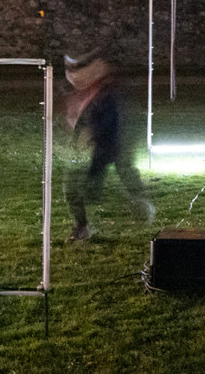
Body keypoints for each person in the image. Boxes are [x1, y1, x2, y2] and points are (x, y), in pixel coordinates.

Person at [62, 52, 151, 241]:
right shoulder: (88, 94)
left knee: (82, 188)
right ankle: (82, 226)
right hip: (96, 149)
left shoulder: (107, 96)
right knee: (76, 188)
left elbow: (109, 129)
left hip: (107, 146)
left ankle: (139, 204)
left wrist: (91, 142)